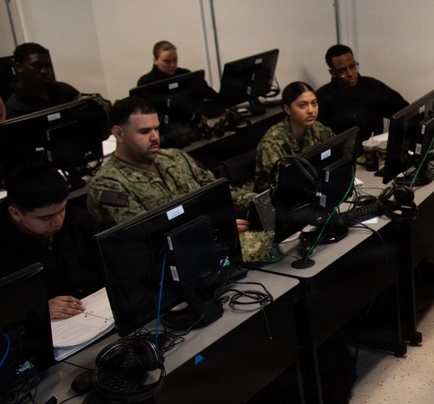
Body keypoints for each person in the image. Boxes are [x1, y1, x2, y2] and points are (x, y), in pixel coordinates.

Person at [87, 96, 277, 263]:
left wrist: (264, 201)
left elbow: (218, 192)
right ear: (119, 133)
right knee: (272, 251)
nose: (155, 137)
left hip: (213, 242)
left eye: (156, 129)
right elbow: (149, 237)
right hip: (172, 263)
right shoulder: (108, 186)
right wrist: (219, 226)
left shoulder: (174, 157)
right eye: (144, 131)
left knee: (280, 240)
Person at [0, 162, 103, 320]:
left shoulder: (78, 220)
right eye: (45, 217)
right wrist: (34, 308)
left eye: (62, 210)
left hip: (93, 310)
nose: (58, 222)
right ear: (15, 213)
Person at [315, 44, 406, 146]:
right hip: (343, 153)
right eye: (342, 70)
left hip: (375, 149)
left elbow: (404, 111)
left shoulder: (372, 87)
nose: (350, 73)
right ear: (332, 73)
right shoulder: (322, 98)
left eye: (352, 66)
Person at [253, 81, 335, 192]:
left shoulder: (318, 129)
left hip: (314, 189)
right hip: (279, 198)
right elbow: (284, 185)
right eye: (302, 105)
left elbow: (337, 155)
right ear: (287, 109)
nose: (311, 110)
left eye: (314, 103)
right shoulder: (272, 143)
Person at [4, 42, 80, 119]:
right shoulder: (14, 107)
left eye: (47, 65)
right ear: (19, 67)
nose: (44, 71)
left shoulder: (63, 89)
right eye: (37, 66)